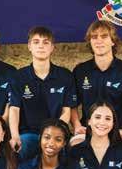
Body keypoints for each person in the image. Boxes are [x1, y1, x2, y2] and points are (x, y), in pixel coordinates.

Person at [9, 26, 77, 161]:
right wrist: (15, 135)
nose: (41, 46)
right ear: (29, 46)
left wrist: (54, 134)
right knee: (22, 146)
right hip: (29, 134)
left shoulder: (65, 76)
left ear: (52, 47)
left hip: (56, 133)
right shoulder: (18, 77)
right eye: (36, 42)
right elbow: (14, 109)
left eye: (46, 42)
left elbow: (66, 111)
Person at [71, 20, 122, 150]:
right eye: (94, 37)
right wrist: (77, 125)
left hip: (118, 129)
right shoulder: (80, 71)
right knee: (75, 145)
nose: (99, 41)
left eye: (104, 36)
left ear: (113, 41)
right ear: (90, 42)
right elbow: (72, 105)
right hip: (89, 129)